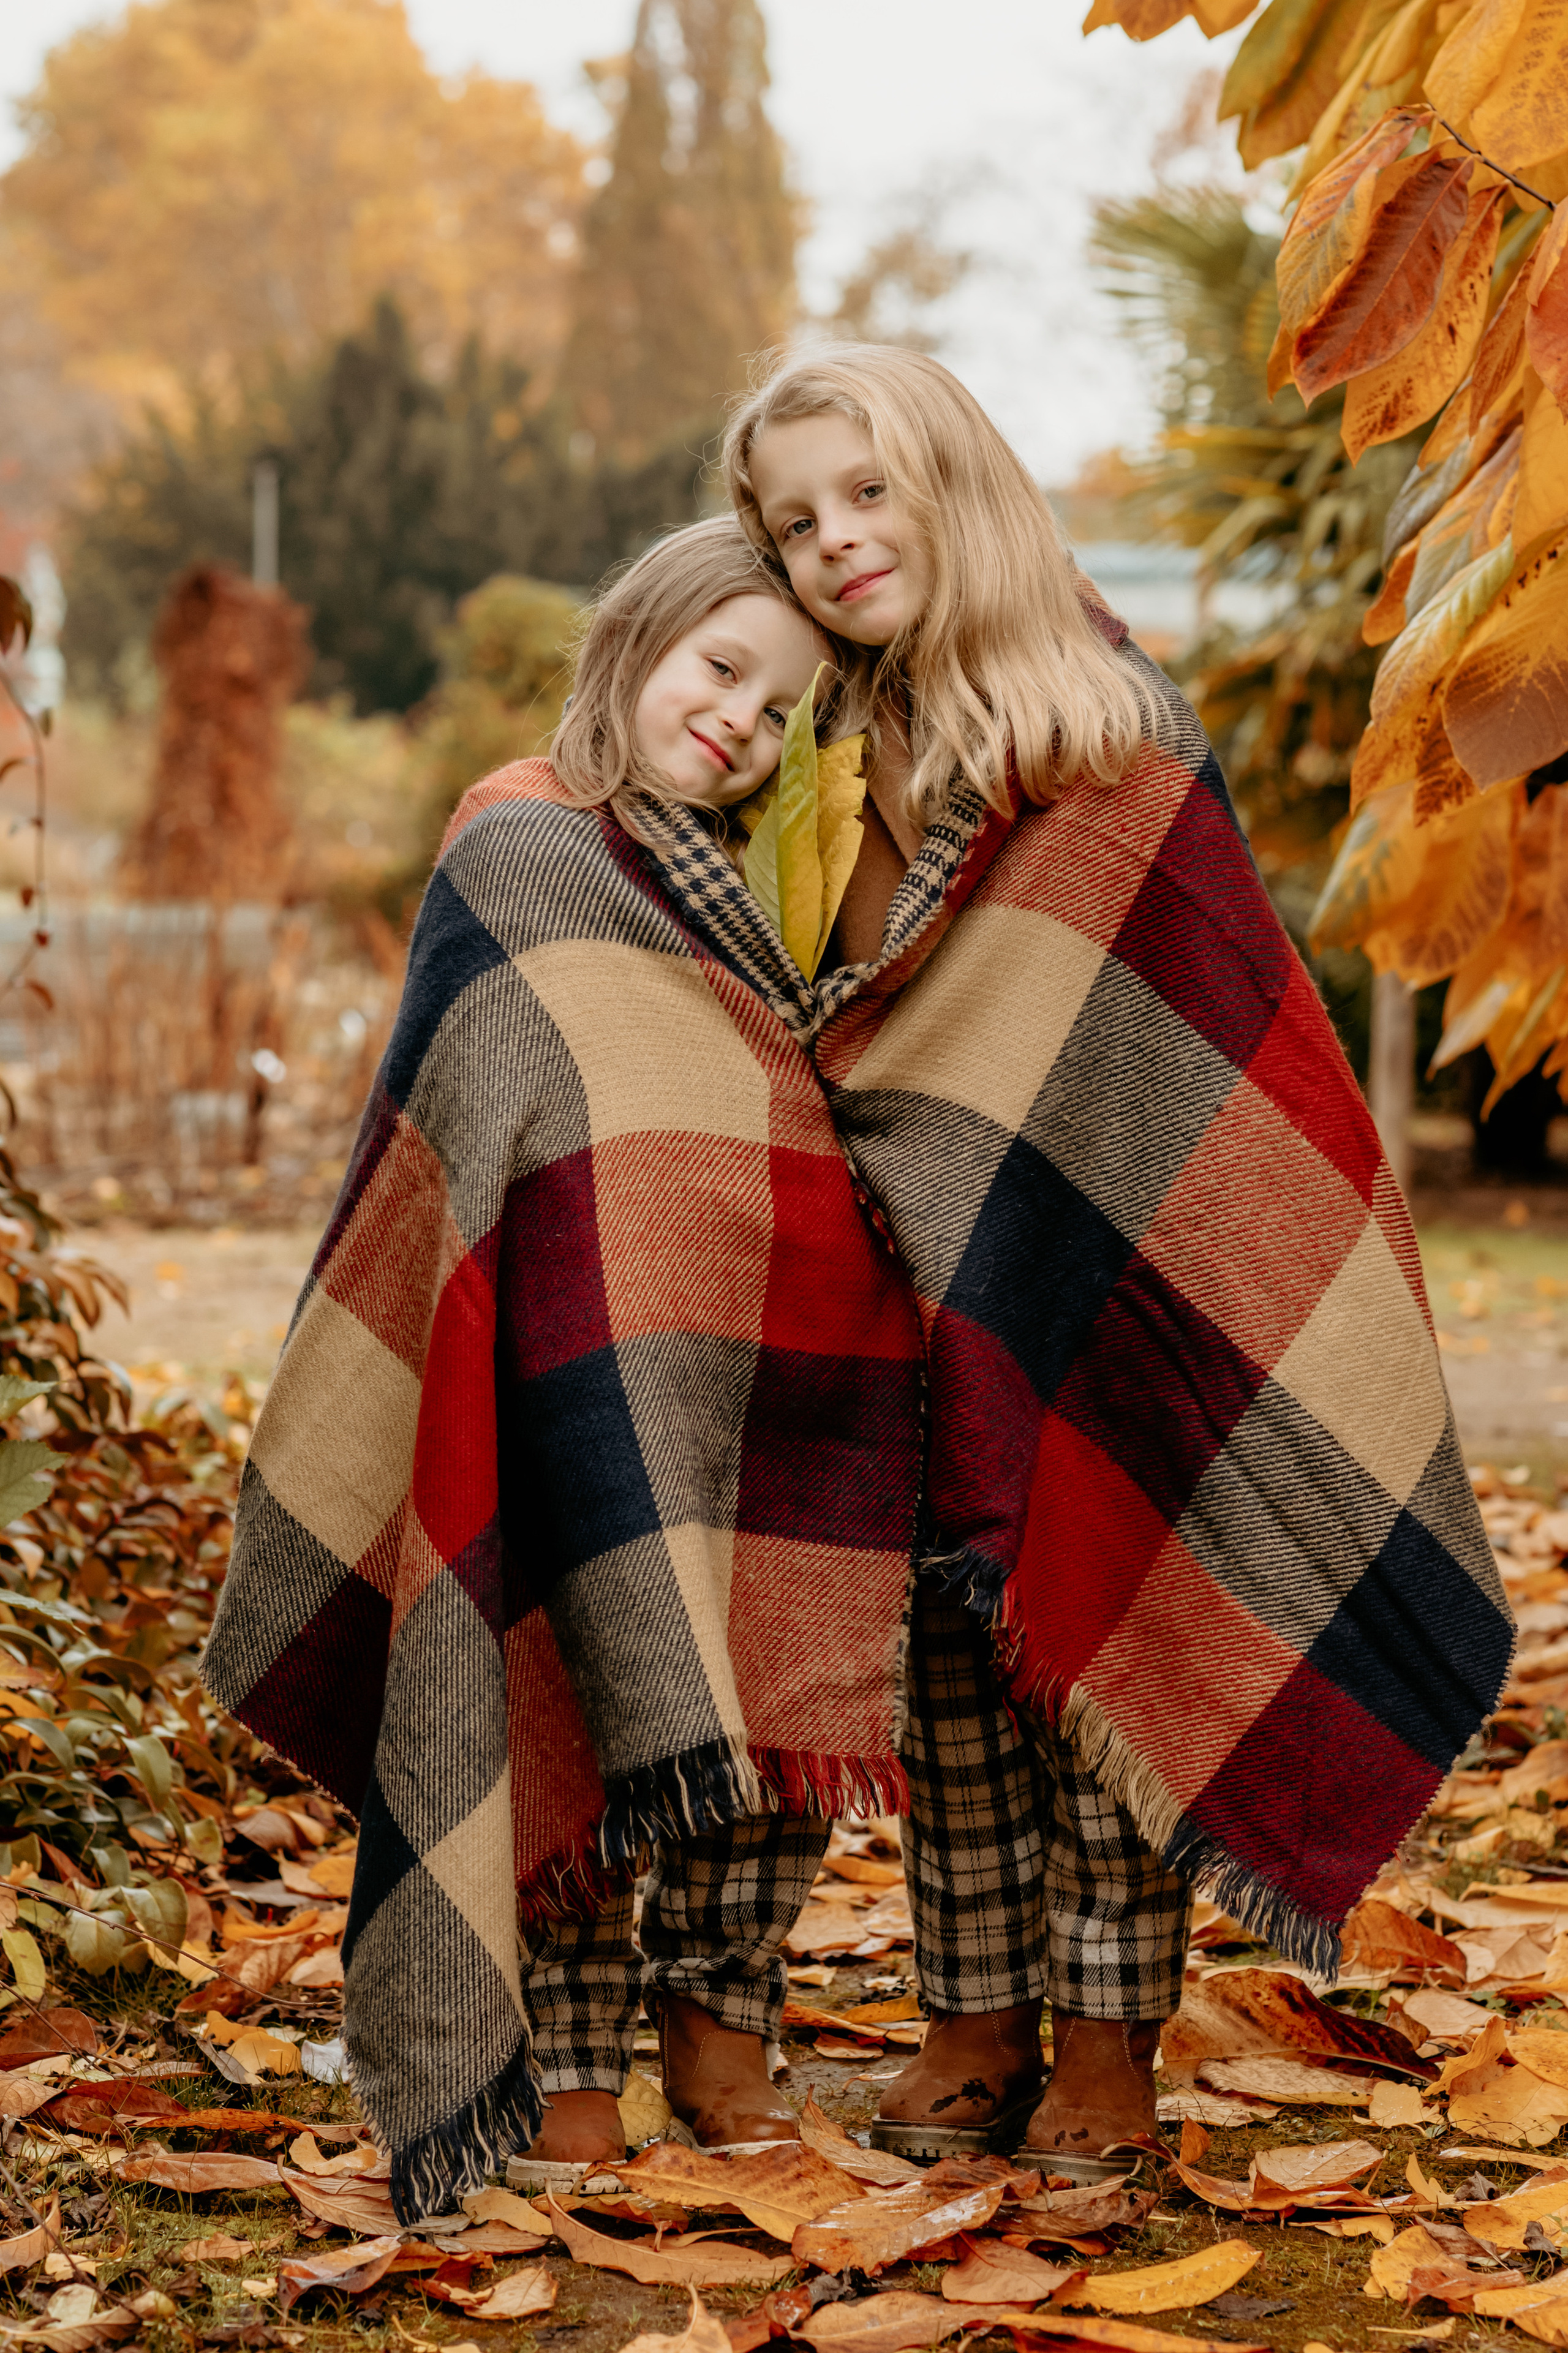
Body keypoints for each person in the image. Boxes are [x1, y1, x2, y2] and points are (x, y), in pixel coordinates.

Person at [720, 343, 1512, 2169]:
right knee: (946, 1655)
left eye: (868, 491)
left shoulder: (1100, 722)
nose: (835, 542)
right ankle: (973, 2008)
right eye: (792, 522)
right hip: (907, 1276)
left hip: (1116, 1257)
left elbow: (1191, 1025)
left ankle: (1104, 2032)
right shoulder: (817, 751)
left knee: (1103, 1619)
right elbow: (808, 994)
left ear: (956, 483)